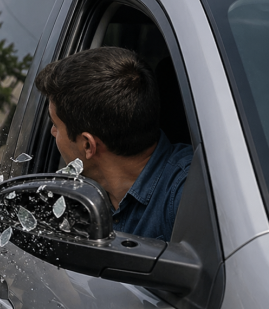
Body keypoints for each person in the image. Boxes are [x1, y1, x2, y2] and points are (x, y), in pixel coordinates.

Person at [35, 46, 192, 241]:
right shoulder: (75, 196)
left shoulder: (189, 195)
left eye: (56, 125)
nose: (52, 132)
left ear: (88, 145)